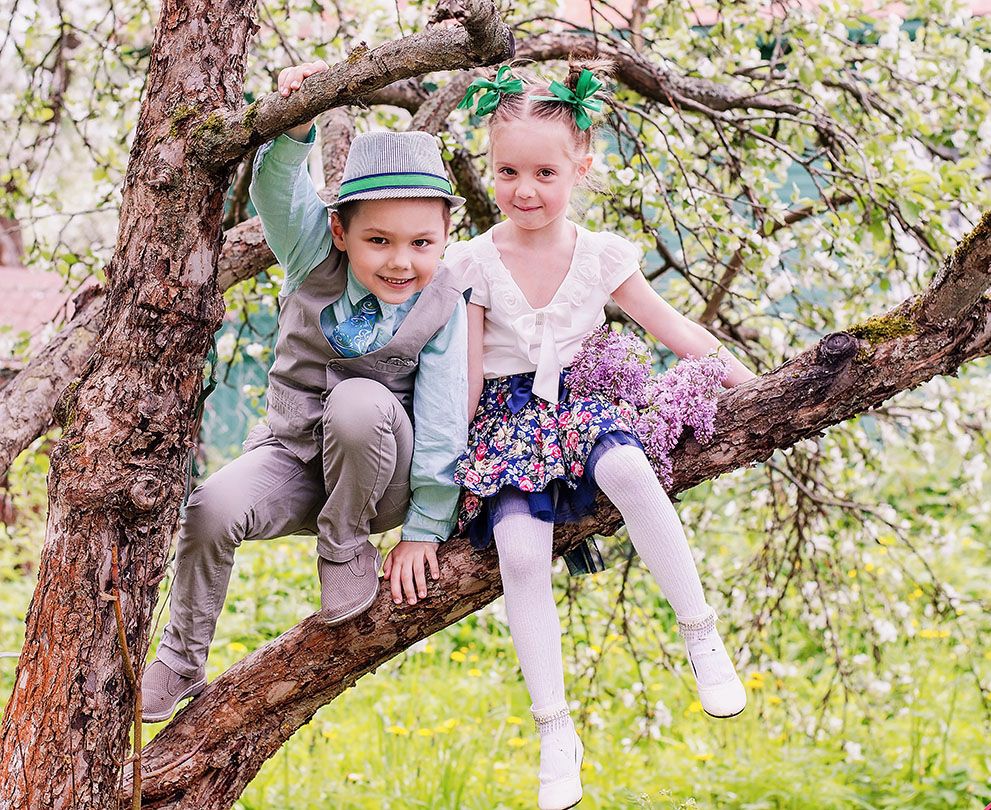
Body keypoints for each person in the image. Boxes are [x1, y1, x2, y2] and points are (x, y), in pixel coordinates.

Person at [449, 62, 757, 810]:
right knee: (521, 553)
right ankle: (555, 730)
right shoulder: (473, 262)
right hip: (504, 420)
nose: (525, 189)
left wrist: (751, 383)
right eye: (508, 171)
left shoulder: (600, 256)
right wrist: (446, 481)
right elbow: (465, 379)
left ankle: (700, 631)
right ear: (489, 168)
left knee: (626, 469)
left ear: (580, 167)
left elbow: (675, 328)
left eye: (544, 172)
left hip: (580, 404)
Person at [141, 61, 468, 723]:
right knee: (210, 509)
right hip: (294, 456)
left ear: (445, 238)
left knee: (358, 401)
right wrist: (296, 120)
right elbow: (275, 187)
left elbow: (441, 417)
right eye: (378, 240)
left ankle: (344, 546)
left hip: (383, 476)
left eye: (421, 243)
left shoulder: (443, 302)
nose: (400, 261)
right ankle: (181, 657)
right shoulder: (311, 253)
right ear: (341, 231)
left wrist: (425, 529)